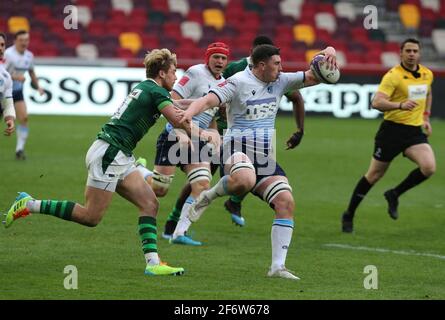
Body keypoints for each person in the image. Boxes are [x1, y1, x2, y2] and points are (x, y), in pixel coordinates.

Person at [2, 48, 207, 276]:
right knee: (90, 216)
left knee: (150, 204)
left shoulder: (150, 88)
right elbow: (178, 119)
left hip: (117, 153)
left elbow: (177, 105)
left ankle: (153, 263)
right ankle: (29, 204)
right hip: (110, 153)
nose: (176, 77)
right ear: (161, 73)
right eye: (173, 72)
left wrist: (206, 102)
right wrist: (207, 136)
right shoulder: (155, 91)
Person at [179, 44, 337, 280]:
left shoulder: (281, 80)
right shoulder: (237, 81)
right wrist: (189, 115)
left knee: (286, 202)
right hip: (235, 148)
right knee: (244, 179)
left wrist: (329, 51)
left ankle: (277, 267)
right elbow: (208, 101)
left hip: (263, 154)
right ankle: (210, 196)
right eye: (276, 63)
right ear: (262, 65)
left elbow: (315, 76)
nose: (281, 68)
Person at [136, 42, 229, 243]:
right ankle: (140, 171)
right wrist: (180, 131)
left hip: (198, 140)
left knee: (202, 183)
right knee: (160, 190)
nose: (220, 62)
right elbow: (171, 100)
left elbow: (211, 115)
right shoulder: (196, 73)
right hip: (175, 136)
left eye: (223, 58)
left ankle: (179, 233)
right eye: (216, 57)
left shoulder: (224, 84)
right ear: (208, 58)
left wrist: (215, 135)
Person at [341, 38, 435, 233]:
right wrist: (399, 105)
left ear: (419, 53)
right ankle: (349, 213)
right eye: (407, 51)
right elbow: (376, 103)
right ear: (400, 53)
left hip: (414, 132)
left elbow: (428, 94)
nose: (411, 54)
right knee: (374, 175)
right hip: (391, 131)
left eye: (414, 51)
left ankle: (394, 194)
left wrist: (425, 116)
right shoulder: (393, 76)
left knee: (428, 167)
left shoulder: (427, 74)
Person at [220, 36, 306, 225]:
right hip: (223, 130)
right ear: (254, 54)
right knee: (202, 175)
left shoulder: (275, 77)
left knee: (249, 172)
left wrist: (300, 130)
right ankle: (177, 222)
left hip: (254, 135)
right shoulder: (236, 70)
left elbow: (297, 98)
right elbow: (216, 94)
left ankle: (233, 202)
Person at [4, 30, 44, 160]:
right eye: (21, 40)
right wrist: (16, 77)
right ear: (15, 41)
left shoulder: (29, 56)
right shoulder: (8, 54)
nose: (24, 43)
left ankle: (19, 149)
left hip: (17, 92)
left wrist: (38, 86)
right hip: (3, 92)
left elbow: (31, 72)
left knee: (24, 118)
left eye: (26, 40)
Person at [0, 32, 15, 136]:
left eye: (2, 45)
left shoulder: (6, 76)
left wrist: (9, 118)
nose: (0, 48)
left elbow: (8, 102)